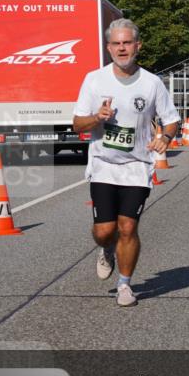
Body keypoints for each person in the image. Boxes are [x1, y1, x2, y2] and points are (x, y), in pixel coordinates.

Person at [72, 18, 180, 307]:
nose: (122, 48)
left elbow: (171, 121)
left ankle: (124, 285)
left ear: (138, 45)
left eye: (127, 43)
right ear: (109, 48)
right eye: (116, 44)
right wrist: (97, 118)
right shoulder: (94, 79)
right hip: (103, 165)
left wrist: (166, 138)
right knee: (105, 231)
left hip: (136, 167)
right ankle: (106, 249)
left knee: (129, 227)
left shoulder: (152, 83)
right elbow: (76, 124)